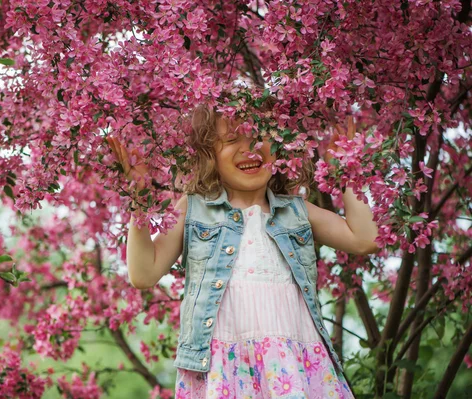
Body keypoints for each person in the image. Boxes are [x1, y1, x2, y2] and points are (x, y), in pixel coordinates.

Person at [106, 101, 378, 398]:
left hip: (294, 366)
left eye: (260, 137)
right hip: (225, 367)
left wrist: (351, 173)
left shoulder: (296, 212)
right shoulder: (194, 210)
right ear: (209, 154)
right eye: (233, 140)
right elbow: (143, 274)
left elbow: (363, 239)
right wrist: (138, 199)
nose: (250, 150)